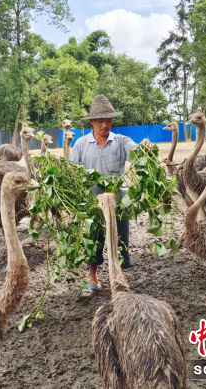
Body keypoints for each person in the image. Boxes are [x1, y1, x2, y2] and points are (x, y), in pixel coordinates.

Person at [69, 95, 152, 297]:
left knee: (120, 240)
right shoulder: (80, 144)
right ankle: (93, 280)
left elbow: (136, 152)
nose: (105, 125)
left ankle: (119, 280)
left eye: (108, 121)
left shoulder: (121, 141)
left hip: (118, 202)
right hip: (92, 203)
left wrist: (144, 148)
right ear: (92, 122)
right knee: (93, 241)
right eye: (100, 121)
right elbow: (72, 172)